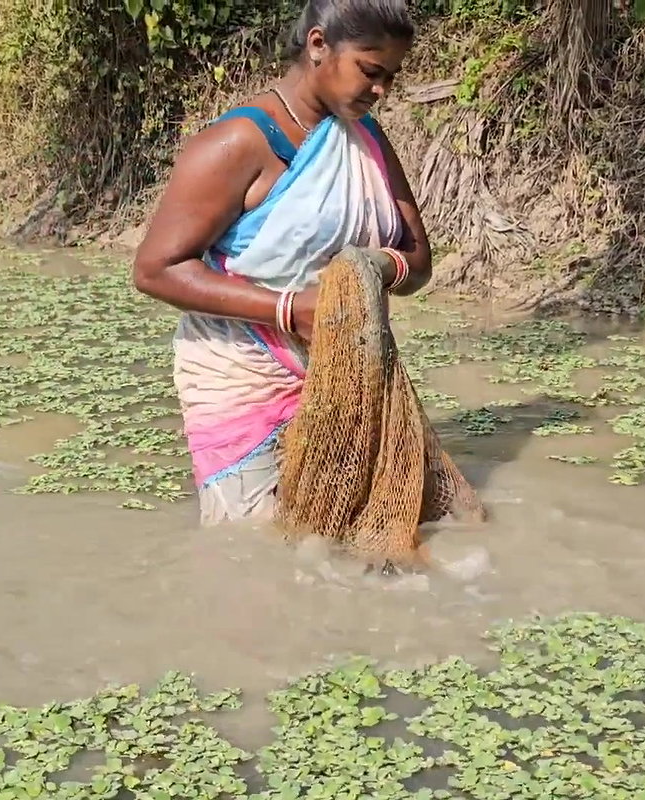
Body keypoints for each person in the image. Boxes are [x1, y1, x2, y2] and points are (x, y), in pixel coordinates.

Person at [132, 0, 431, 525]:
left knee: (346, 534)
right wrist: (294, 310)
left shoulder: (367, 139)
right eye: (370, 70)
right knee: (253, 556)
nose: (381, 90)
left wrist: (365, 273)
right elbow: (156, 269)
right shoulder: (237, 144)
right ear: (319, 46)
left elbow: (418, 260)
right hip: (241, 375)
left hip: (345, 369)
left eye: (391, 77)